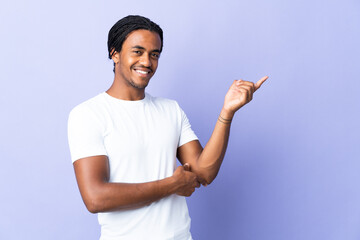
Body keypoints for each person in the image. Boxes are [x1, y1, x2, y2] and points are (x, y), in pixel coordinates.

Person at [67, 15, 268, 240]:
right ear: (115, 54)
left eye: (154, 54)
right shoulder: (88, 114)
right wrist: (171, 185)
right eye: (137, 51)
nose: (147, 61)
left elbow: (203, 173)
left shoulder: (170, 110)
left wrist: (227, 113)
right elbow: (95, 198)